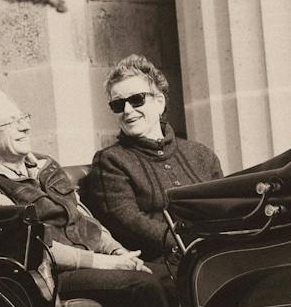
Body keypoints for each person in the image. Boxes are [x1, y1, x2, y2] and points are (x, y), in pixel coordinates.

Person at [0, 91, 179, 307]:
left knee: (174, 276)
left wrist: (117, 252)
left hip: (94, 262)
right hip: (49, 277)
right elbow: (33, 248)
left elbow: (84, 218)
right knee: (144, 286)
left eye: (23, 117)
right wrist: (103, 262)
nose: (25, 126)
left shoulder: (44, 164)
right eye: (11, 122)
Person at [87, 54, 223, 265]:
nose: (127, 110)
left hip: (216, 253)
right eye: (118, 105)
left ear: (159, 102)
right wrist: (188, 243)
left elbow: (223, 207)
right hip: (163, 262)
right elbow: (129, 221)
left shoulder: (201, 154)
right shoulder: (111, 161)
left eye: (136, 99)